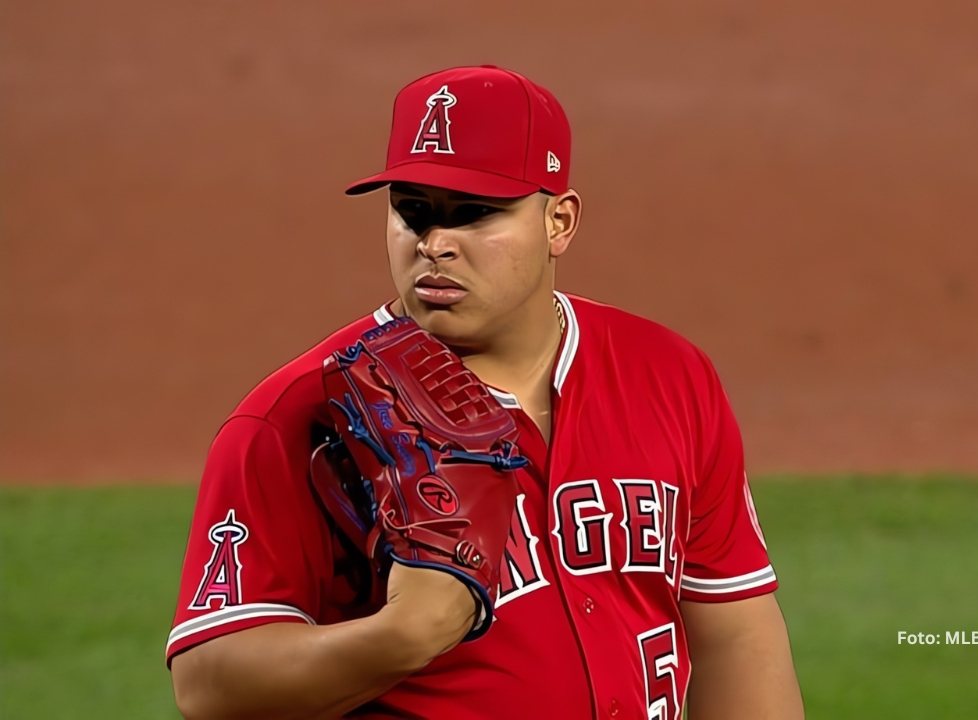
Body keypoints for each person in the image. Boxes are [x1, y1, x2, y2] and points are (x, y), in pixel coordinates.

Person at [167, 64, 804, 720]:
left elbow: (736, 632)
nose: (435, 244)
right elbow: (210, 688)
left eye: (475, 215)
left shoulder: (668, 374)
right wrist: (401, 637)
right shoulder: (298, 418)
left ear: (559, 222)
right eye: (412, 212)